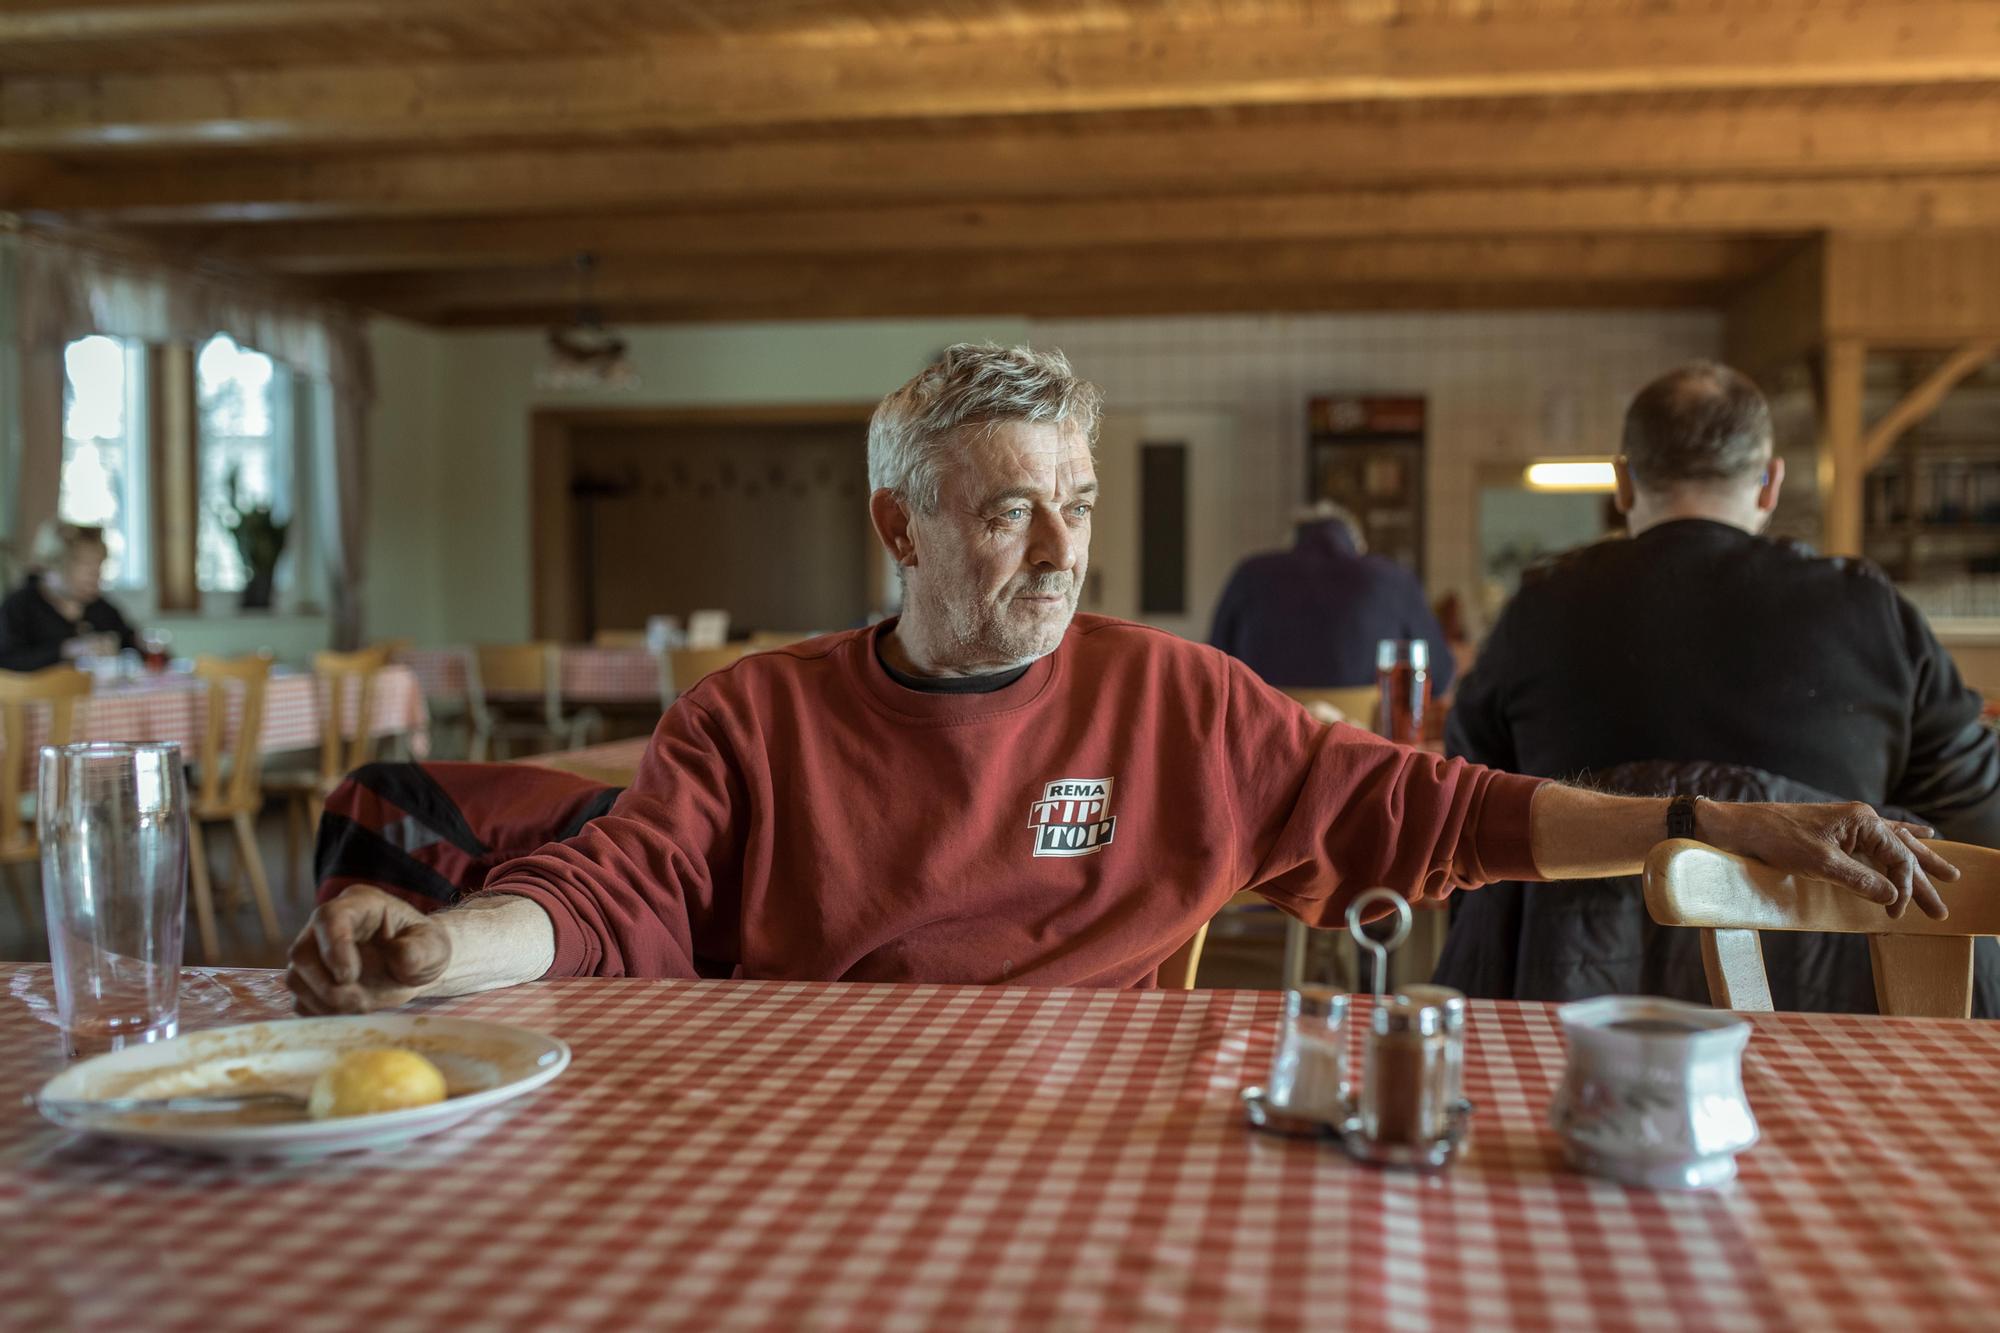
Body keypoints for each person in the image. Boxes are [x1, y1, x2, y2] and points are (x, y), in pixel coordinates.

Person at [285, 346, 1956, 1015]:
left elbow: (1449, 817)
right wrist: (449, 941)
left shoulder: (1184, 703)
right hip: (802, 1146)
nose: (1062, 550)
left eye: (1074, 506)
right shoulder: (754, 714)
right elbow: (608, 895)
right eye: (1011, 508)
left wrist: (1725, 828)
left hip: (1094, 1160)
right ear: (901, 522)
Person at [1439, 361, 2000, 1011]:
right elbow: (1977, 819)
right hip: (1829, 1028)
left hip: (1571, 1016)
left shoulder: (1539, 609)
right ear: (1770, 484)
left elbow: (1470, 810)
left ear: (1622, 483)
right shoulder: (1869, 610)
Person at [1209, 500, 1457, 697]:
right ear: (1357, 544)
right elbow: (1440, 676)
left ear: (1292, 540)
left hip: (1267, 742)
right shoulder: (1393, 579)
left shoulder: (1251, 574)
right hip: (1367, 747)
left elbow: (1213, 671)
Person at [0, 521, 138, 673]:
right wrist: (65, 650)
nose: (95, 573)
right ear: (53, 565)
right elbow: (7, 662)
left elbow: (135, 646)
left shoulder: (101, 608)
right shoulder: (19, 607)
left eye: (99, 564)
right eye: (85, 564)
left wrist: (134, 646)